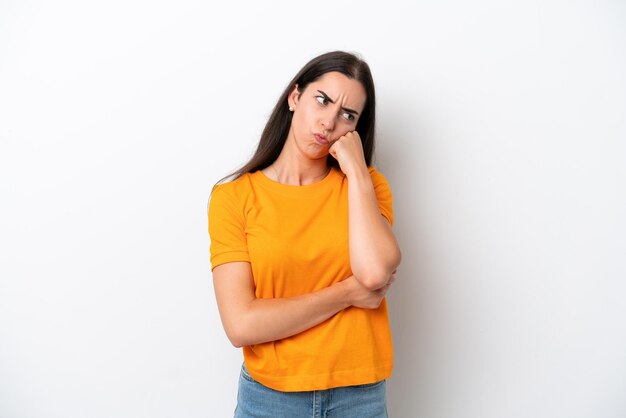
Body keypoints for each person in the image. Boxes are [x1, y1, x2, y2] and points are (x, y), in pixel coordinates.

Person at [208, 50, 401, 418]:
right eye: (322, 100)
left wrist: (358, 172)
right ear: (295, 97)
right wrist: (347, 292)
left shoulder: (367, 186)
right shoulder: (234, 198)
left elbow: (375, 273)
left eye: (347, 115)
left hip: (358, 396)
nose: (329, 123)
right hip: (270, 397)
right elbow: (241, 324)